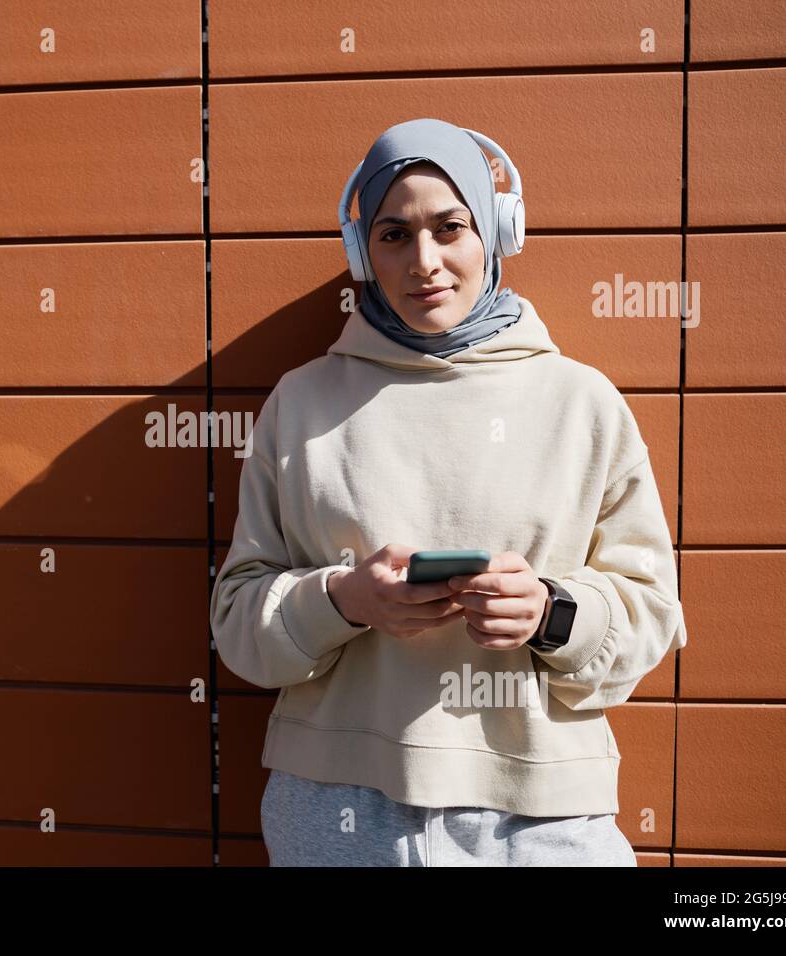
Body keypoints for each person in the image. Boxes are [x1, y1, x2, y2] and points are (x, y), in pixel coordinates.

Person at [209, 118, 688, 867]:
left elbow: (652, 615)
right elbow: (237, 621)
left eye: (450, 227)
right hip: (335, 811)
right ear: (362, 253)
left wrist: (552, 613)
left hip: (542, 819)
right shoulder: (299, 405)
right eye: (394, 235)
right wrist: (342, 600)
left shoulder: (582, 404)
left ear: (497, 231)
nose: (424, 262)